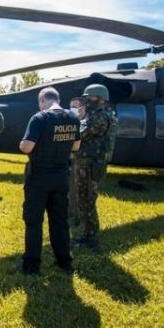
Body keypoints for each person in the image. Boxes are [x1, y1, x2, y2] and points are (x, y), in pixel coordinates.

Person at [18, 87, 80, 275]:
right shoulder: (72, 118)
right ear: (58, 99)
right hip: (61, 176)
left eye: (40, 102)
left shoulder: (40, 118)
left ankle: (32, 266)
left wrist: (22, 144)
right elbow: (76, 145)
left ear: (43, 99)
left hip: (39, 177)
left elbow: (27, 147)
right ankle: (64, 261)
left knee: (34, 221)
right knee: (60, 220)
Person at [73, 84, 118, 251]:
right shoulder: (101, 114)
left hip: (90, 164)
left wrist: (77, 119)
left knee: (87, 200)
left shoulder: (100, 117)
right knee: (84, 200)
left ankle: (91, 238)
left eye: (89, 97)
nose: (86, 100)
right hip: (88, 163)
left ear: (99, 98)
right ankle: (87, 233)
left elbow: (81, 133)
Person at [68, 96, 86, 233]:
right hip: (73, 160)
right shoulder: (75, 122)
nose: (71, 109)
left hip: (83, 162)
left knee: (79, 191)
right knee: (71, 189)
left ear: (82, 108)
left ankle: (78, 218)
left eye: (74, 106)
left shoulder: (85, 123)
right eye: (70, 107)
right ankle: (72, 213)